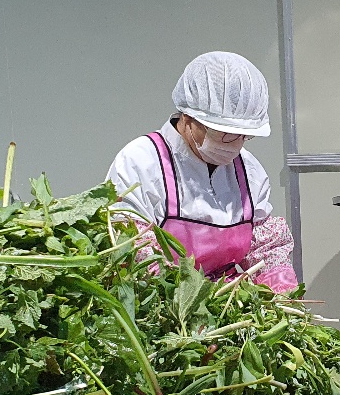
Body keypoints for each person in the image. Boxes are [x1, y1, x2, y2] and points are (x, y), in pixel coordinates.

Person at [107, 51, 298, 293]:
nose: (236, 144)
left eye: (245, 135)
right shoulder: (141, 162)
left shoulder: (249, 170)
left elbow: (266, 249)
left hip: (227, 303)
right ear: (188, 117)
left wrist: (280, 291)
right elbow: (133, 253)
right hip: (164, 304)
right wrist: (193, 298)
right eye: (225, 133)